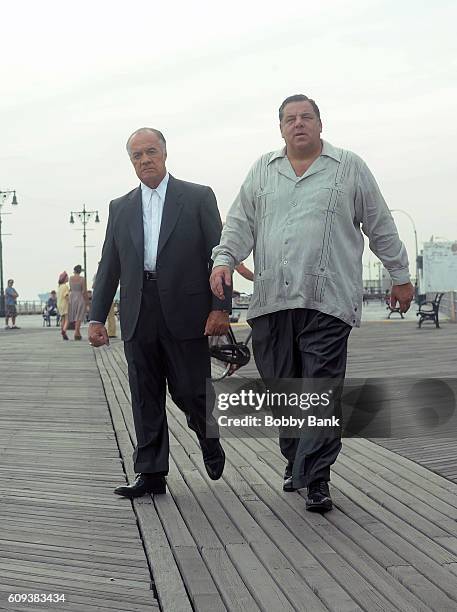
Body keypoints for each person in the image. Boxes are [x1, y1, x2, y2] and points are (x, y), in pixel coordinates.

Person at [210, 94, 414, 512]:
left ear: (320, 124)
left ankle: (317, 477)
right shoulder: (262, 172)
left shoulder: (349, 167)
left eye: (306, 117)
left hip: (328, 300)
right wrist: (225, 258)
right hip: (271, 301)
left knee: (319, 390)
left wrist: (400, 276)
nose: (298, 124)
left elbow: (380, 223)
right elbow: (238, 223)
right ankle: (296, 461)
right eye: (290, 119)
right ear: (280, 128)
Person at [89, 127, 231, 498]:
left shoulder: (197, 197)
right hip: (138, 309)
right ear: (131, 162)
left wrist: (221, 308)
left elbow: (219, 256)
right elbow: (110, 265)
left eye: (150, 152)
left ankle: (206, 432)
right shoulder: (120, 208)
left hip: (187, 309)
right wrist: (95, 317)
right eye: (137, 155)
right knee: (144, 392)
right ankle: (151, 473)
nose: (144, 160)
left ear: (165, 153)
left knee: (190, 389)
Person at [68, 265, 87, 340]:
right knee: (79, 315)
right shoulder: (82, 279)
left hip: (72, 297)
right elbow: (84, 291)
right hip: (79, 297)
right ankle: (76, 332)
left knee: (74, 314)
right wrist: (87, 302)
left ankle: (78, 333)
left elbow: (70, 288)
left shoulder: (70, 278)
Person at [57, 271, 70, 340]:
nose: (68, 278)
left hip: (59, 304)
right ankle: (64, 331)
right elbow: (66, 295)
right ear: (64, 278)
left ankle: (62, 329)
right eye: (67, 277)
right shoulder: (65, 286)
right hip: (65, 304)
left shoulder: (59, 287)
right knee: (67, 319)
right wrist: (70, 301)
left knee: (63, 319)